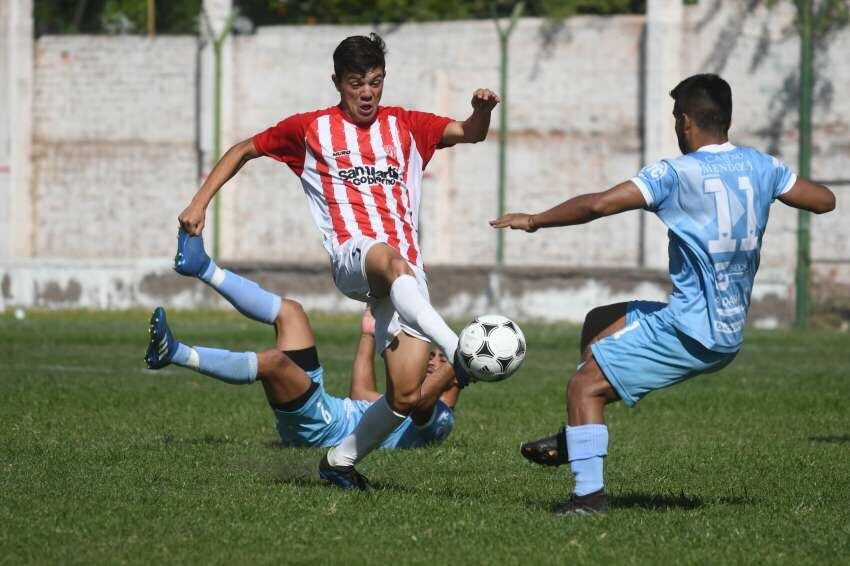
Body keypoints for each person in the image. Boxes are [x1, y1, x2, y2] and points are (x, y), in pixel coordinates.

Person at [492, 74, 835, 515]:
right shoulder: (761, 166)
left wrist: (535, 220)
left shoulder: (675, 173)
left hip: (693, 330)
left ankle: (588, 499)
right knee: (600, 321)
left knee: (584, 387)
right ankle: (575, 436)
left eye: (677, 118)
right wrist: (772, 187)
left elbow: (598, 204)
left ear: (686, 121)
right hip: (723, 324)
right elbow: (824, 201)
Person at [175, 32, 496, 489]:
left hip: (406, 282)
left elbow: (470, 132)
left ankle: (339, 462)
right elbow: (244, 148)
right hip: (355, 257)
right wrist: (198, 203)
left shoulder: (407, 125)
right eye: (356, 83)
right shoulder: (311, 130)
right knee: (388, 258)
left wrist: (482, 109)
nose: (367, 93)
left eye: (376, 82)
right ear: (337, 82)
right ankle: (458, 345)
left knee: (403, 395)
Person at [144, 234, 459, 467]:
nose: (433, 360)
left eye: (440, 360)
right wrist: (367, 334)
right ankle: (203, 267)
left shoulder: (440, 418)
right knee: (291, 313)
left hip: (323, 429)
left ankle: (175, 352)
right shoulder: (405, 399)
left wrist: (460, 357)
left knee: (275, 363)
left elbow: (420, 403)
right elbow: (362, 392)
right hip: (327, 406)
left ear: (455, 380)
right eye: (434, 355)